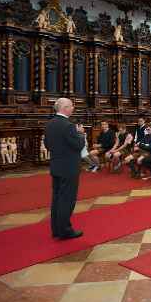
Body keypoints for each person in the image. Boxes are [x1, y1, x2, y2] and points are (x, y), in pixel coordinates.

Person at [44, 98, 85, 240]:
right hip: (69, 168)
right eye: (72, 106)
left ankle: (56, 229)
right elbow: (78, 145)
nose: (73, 108)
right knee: (67, 199)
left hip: (56, 166)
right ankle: (65, 230)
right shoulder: (68, 126)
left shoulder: (49, 124)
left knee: (56, 198)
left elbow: (48, 145)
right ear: (65, 108)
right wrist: (80, 133)